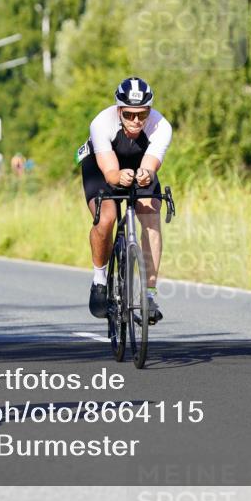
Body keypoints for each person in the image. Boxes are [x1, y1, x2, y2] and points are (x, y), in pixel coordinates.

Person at [79, 77, 172, 324]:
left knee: (151, 217)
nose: (136, 121)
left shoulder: (162, 126)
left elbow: (151, 164)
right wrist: (117, 176)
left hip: (139, 165)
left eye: (142, 114)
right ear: (119, 110)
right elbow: (110, 172)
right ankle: (99, 279)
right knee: (107, 218)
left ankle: (150, 295)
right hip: (102, 166)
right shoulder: (101, 123)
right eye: (129, 115)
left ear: (149, 111)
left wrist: (145, 174)